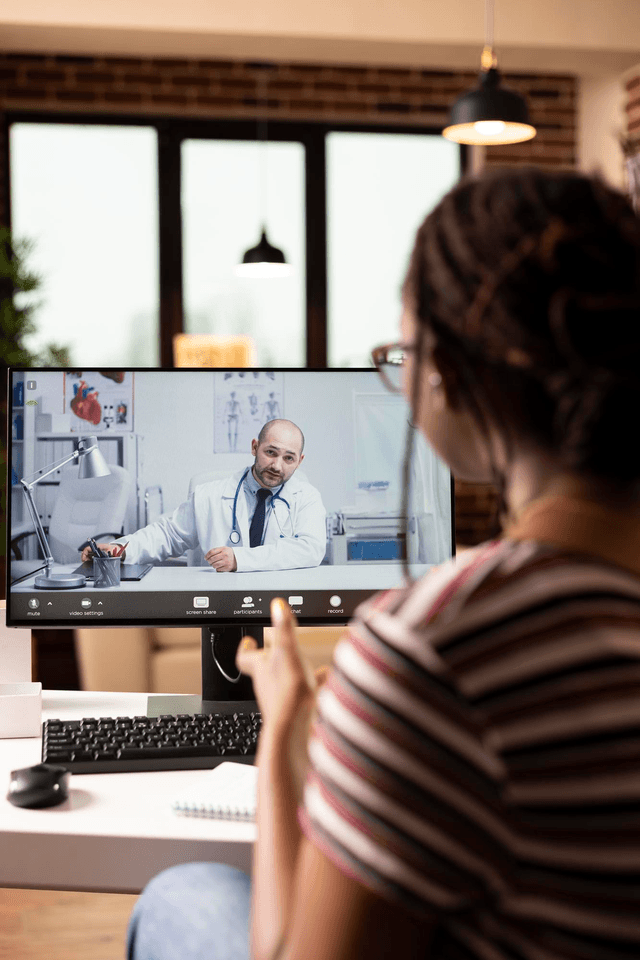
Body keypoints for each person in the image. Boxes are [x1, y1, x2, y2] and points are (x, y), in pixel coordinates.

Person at [126, 168, 640, 960]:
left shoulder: (432, 646)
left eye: (404, 353)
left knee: (179, 894)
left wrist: (285, 737)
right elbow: (158, 538)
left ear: (452, 371)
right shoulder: (206, 492)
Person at [82, 419, 326, 572]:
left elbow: (311, 549)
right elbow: (167, 535)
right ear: (254, 447)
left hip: (280, 603)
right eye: (270, 452)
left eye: (288, 458)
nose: (277, 465)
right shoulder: (209, 495)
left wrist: (240, 559)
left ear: (299, 461)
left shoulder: (307, 497)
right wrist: (119, 548)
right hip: (218, 603)